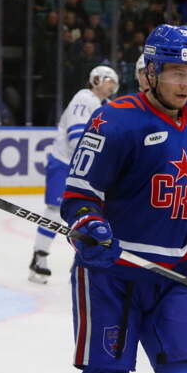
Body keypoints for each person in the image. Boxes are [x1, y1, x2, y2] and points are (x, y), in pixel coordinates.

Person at [60, 24, 187, 373]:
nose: (185, 84)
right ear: (152, 71)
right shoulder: (113, 120)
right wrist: (88, 223)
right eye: (177, 72)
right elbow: (78, 198)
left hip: (177, 276)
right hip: (112, 275)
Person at [28, 65, 119, 284]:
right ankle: (39, 258)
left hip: (85, 168)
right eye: (110, 81)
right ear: (97, 80)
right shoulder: (84, 98)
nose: (113, 86)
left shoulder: (105, 106)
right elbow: (76, 137)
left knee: (92, 214)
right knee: (54, 211)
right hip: (65, 164)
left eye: (115, 83)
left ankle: (82, 261)